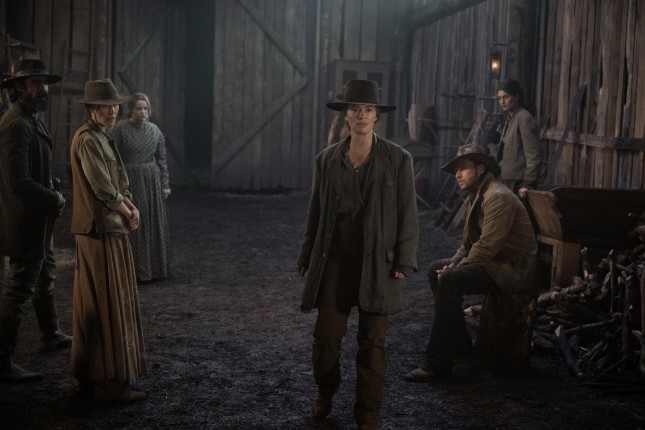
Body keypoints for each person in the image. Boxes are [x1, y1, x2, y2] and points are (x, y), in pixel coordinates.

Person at [296, 79, 419, 430]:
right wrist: (307, 254)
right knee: (326, 338)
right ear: (345, 115)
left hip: (378, 262)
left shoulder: (398, 159)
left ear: (377, 116)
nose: (361, 115)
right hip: (334, 260)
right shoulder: (327, 160)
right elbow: (316, 212)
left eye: (368, 109)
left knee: (372, 343)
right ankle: (326, 389)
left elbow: (408, 212)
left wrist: (405, 259)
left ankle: (368, 412)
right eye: (355, 109)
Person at [404, 143, 537, 382]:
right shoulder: (477, 196)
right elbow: (467, 244)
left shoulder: (498, 197)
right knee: (435, 270)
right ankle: (460, 345)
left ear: (481, 169)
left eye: (463, 168)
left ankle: (437, 364)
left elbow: (486, 246)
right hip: (494, 262)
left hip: (512, 269)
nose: (457, 174)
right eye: (456, 170)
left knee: (450, 280)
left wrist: (455, 269)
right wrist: (453, 263)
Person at [69, 79, 147, 404]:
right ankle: (105, 382)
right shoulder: (87, 139)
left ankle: (105, 379)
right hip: (98, 231)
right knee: (103, 303)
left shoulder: (102, 136)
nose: (112, 111)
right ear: (92, 108)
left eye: (114, 105)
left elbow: (119, 182)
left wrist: (131, 207)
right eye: (105, 106)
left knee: (111, 300)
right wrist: (127, 210)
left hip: (111, 227)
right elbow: (102, 187)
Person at [0, 59, 71, 382]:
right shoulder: (15, 124)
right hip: (25, 220)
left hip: (40, 219)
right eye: (35, 83)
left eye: (44, 83)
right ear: (18, 88)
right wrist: (54, 198)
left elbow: (36, 168)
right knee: (18, 289)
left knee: (46, 276)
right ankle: (3, 360)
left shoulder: (32, 118)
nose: (43, 89)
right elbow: (18, 182)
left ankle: (51, 334)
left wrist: (51, 186)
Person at [111, 92, 171, 282]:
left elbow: (162, 160)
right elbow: (112, 158)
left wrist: (165, 185)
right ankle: (132, 271)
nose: (142, 112)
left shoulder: (155, 131)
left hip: (151, 180)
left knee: (152, 221)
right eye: (138, 108)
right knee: (133, 221)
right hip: (130, 180)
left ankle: (155, 269)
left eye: (145, 108)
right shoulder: (120, 129)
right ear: (131, 110)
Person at [495, 78, 543, 198]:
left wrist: (528, 184)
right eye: (499, 98)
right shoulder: (511, 118)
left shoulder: (524, 118)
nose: (502, 101)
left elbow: (534, 155)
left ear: (517, 97)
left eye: (506, 97)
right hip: (506, 182)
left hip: (518, 184)